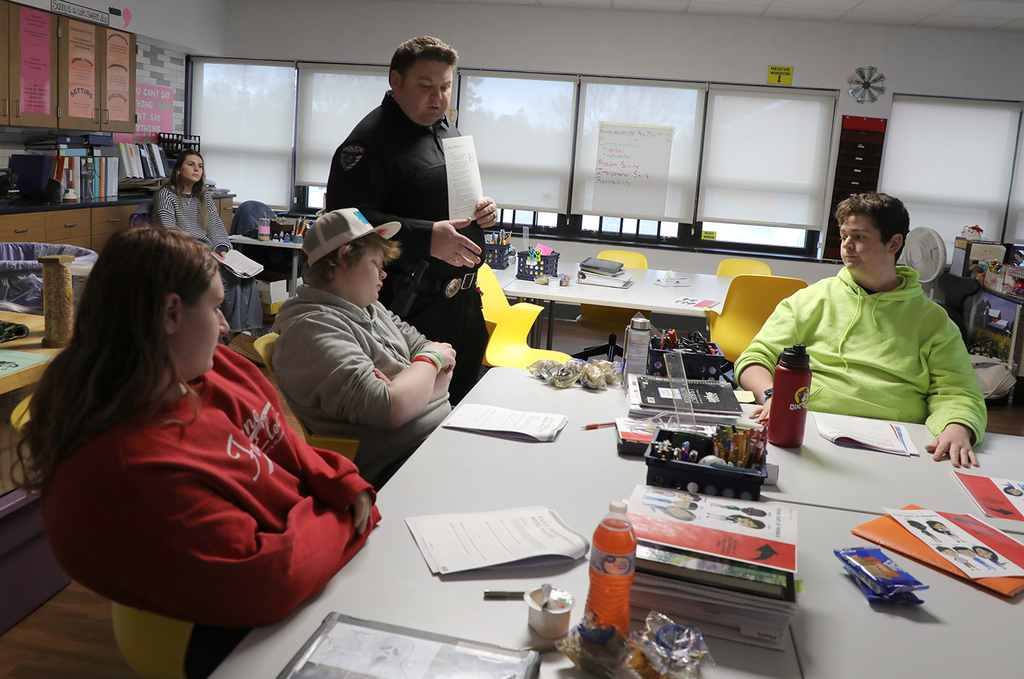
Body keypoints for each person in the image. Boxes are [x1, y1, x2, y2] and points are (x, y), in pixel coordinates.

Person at [14, 226, 378, 679]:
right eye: (215, 307)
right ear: (170, 313)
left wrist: (341, 482)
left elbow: (287, 446)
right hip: (218, 630)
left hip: (305, 557)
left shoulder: (209, 365)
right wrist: (343, 515)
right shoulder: (128, 463)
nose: (227, 326)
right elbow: (267, 581)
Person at [736, 192, 987, 468]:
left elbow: (959, 391)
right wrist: (775, 397)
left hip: (898, 446)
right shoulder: (809, 300)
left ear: (893, 243)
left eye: (859, 237)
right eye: (844, 236)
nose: (847, 246)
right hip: (806, 431)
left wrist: (957, 427)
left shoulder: (934, 322)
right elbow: (755, 358)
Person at [325, 35, 499, 405]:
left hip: (464, 301)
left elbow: (443, 203)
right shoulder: (367, 143)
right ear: (395, 81)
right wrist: (424, 236)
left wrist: (482, 211)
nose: (438, 97)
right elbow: (345, 222)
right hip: (410, 307)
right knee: (424, 421)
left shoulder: (444, 128)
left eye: (445, 87)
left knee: (466, 410)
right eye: (425, 86)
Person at [272, 208, 455, 489]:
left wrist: (409, 388)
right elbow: (390, 407)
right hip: (398, 467)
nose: (383, 274)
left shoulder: (370, 307)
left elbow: (437, 357)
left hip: (430, 442)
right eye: (375, 263)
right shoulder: (311, 329)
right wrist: (425, 367)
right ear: (344, 256)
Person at [153, 150, 263, 337]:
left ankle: (251, 331)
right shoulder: (166, 195)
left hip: (210, 252)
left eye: (200, 166)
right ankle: (235, 334)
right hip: (186, 254)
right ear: (178, 169)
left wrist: (221, 248)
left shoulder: (202, 195)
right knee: (230, 280)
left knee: (246, 276)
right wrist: (199, 250)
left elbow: (216, 227)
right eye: (191, 164)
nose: (197, 169)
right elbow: (168, 231)